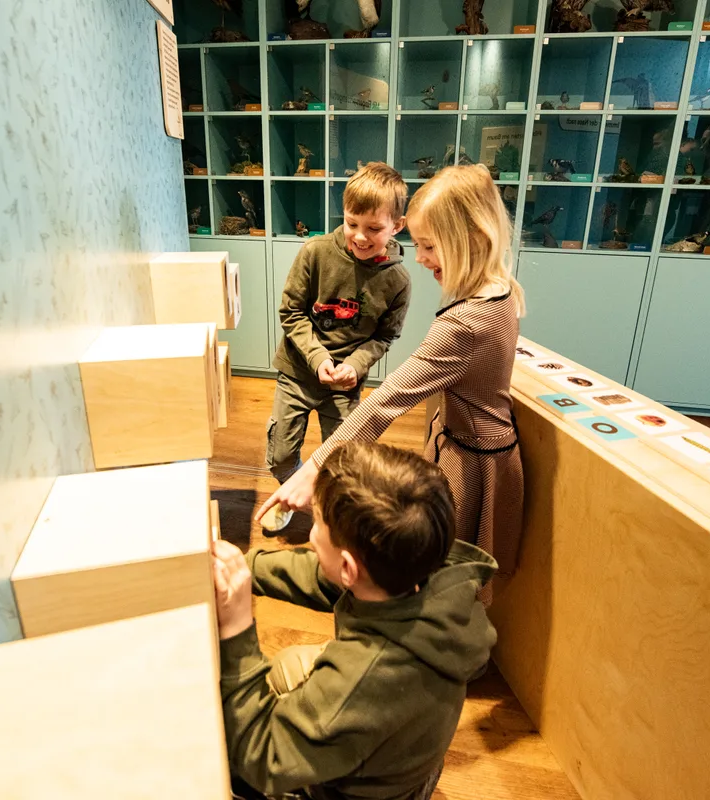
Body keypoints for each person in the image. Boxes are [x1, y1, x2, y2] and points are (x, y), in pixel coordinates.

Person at [256, 164, 525, 604]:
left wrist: (315, 465)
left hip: (473, 464)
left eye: (429, 246)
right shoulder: (500, 289)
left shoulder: (466, 320)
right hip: (469, 446)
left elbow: (387, 400)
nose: (419, 257)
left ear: (473, 238)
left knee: (454, 581)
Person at [213, 441, 498, 800]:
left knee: (227, 757)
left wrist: (237, 630)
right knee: (289, 663)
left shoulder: (363, 677)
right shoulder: (421, 571)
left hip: (358, 792)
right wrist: (247, 567)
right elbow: (321, 575)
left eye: (316, 523)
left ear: (348, 568)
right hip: (406, 757)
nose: (311, 533)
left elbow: (263, 758)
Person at [264, 163, 412, 528]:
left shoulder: (398, 280)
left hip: (346, 385)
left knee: (344, 461)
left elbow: (385, 337)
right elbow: (291, 312)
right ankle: (297, 493)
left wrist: (356, 365)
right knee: (280, 456)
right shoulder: (314, 251)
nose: (360, 236)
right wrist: (317, 359)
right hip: (298, 373)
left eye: (374, 228)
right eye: (351, 223)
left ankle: (325, 514)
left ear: (397, 226)